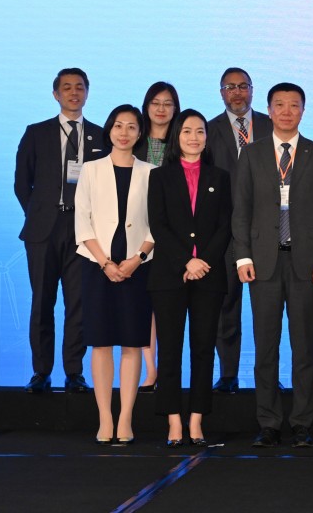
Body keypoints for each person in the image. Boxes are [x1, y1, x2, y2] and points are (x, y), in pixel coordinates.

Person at [232, 82, 313, 448]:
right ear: (269, 110)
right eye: (280, 105)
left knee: (304, 347)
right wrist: (242, 256)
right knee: (265, 348)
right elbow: (241, 209)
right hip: (263, 264)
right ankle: (269, 422)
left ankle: (302, 422)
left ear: (303, 111)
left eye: (294, 105)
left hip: (307, 264)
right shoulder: (253, 153)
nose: (287, 111)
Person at [15, 68, 105, 393]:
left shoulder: (100, 135)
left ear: (87, 93)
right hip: (43, 231)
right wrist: (39, 214)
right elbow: (21, 183)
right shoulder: (36, 133)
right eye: (66, 88)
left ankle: (74, 372)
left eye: (79, 87)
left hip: (83, 232)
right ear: (56, 94)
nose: (73, 92)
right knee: (42, 302)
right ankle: (41, 372)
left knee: (78, 303)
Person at [147, 109, 232, 447]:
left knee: (202, 350)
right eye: (186, 131)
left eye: (199, 131)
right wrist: (186, 261)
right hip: (170, 274)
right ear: (176, 137)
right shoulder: (160, 177)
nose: (194, 137)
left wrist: (203, 262)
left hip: (208, 276)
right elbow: (159, 226)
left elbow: (225, 226)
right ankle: (173, 421)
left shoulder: (220, 177)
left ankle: (196, 420)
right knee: (169, 350)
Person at [74, 104, 155, 444]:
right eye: (119, 126)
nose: (124, 132)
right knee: (102, 342)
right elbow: (83, 220)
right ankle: (105, 418)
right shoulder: (90, 170)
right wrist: (105, 262)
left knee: (133, 343)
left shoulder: (151, 172)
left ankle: (126, 419)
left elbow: (157, 224)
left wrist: (137, 258)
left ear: (140, 133)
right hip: (97, 267)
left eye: (132, 127)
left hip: (138, 268)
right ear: (109, 130)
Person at [206, 68, 273, 394]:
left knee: (268, 310)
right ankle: (229, 374)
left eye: (243, 86)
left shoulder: (272, 125)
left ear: (252, 90)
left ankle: (268, 375)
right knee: (226, 308)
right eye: (230, 87)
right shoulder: (207, 130)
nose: (237, 93)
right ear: (221, 92)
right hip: (225, 234)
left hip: (267, 232)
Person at [134, 81, 181, 394]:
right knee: (143, 307)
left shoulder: (184, 144)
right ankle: (151, 371)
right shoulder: (132, 142)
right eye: (155, 102)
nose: (161, 109)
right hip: (137, 234)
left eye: (168, 103)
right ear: (146, 106)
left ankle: (169, 369)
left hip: (174, 236)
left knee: (170, 307)